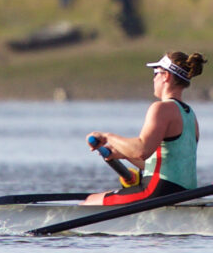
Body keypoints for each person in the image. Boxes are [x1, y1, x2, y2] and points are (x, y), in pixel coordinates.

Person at [84, 52, 204, 205]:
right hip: (186, 194)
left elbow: (141, 151)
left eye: (156, 73)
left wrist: (107, 137)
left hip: (158, 191)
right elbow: (163, 164)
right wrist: (123, 155)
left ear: (166, 76)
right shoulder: (190, 116)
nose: (153, 79)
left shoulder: (161, 108)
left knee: (89, 201)